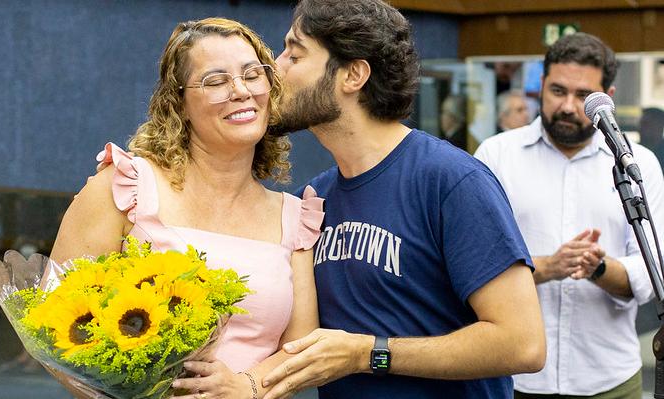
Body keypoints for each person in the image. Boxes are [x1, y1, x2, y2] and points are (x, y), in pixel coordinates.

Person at [260, 1, 546, 398]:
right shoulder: (314, 200)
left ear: (353, 74)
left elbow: (522, 344)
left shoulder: (452, 180)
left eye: (295, 53)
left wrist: (368, 354)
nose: (277, 66)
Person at [47, 17, 323, 399]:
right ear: (179, 103)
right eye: (216, 81)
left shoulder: (295, 218)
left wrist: (247, 387)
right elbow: (53, 326)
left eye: (252, 75)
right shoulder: (126, 187)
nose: (241, 91)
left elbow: (299, 351)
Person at [474, 32, 664, 398]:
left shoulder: (637, 164)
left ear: (604, 99)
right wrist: (549, 266)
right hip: (515, 378)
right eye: (557, 91)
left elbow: (650, 269)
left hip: (610, 378)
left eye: (582, 96)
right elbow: (476, 261)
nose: (567, 106)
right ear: (542, 86)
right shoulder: (496, 156)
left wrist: (600, 268)